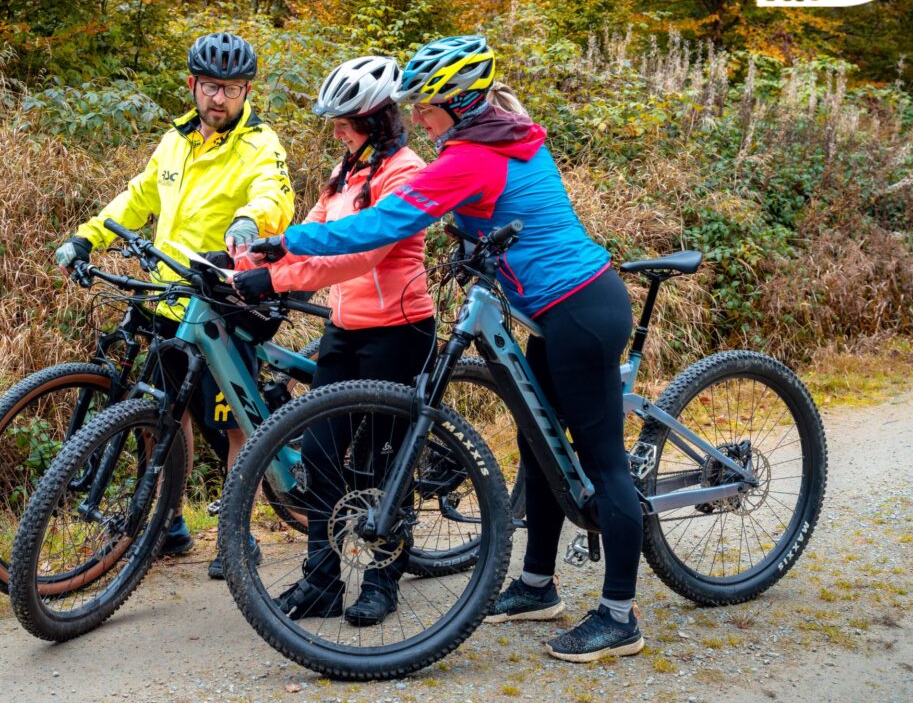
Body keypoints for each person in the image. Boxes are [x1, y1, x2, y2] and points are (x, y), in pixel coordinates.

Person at [251, 36, 643, 662]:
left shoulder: (473, 156)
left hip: (581, 311)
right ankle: (539, 585)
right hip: (547, 313)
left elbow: (387, 222)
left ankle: (620, 616)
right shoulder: (494, 138)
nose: (420, 119)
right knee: (540, 446)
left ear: (459, 103)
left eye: (427, 106)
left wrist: (288, 243)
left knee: (602, 463)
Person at [55, 31, 295, 578]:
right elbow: (139, 196)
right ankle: (170, 522)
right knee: (165, 416)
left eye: (232, 90)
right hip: (168, 299)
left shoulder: (261, 143)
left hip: (222, 302)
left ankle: (236, 535)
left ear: (246, 91)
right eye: (211, 87)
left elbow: (275, 194)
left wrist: (250, 221)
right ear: (192, 85)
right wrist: (89, 237)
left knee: (234, 423)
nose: (220, 100)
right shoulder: (175, 140)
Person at [232, 55, 435, 627]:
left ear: (378, 117)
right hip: (344, 331)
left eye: (346, 120)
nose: (337, 129)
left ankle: (381, 580)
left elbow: (359, 255)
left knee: (384, 462)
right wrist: (246, 259)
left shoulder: (406, 170)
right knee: (320, 455)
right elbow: (312, 235)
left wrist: (272, 280)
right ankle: (322, 581)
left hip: (400, 331)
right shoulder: (346, 169)